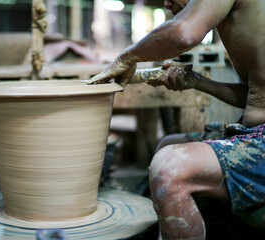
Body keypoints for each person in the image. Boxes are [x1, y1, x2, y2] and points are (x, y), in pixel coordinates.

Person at [88, 0, 265, 239]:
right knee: (167, 145)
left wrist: (127, 57)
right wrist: (199, 82)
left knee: (168, 167)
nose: (166, 2)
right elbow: (256, 96)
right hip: (254, 132)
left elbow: (184, 32)